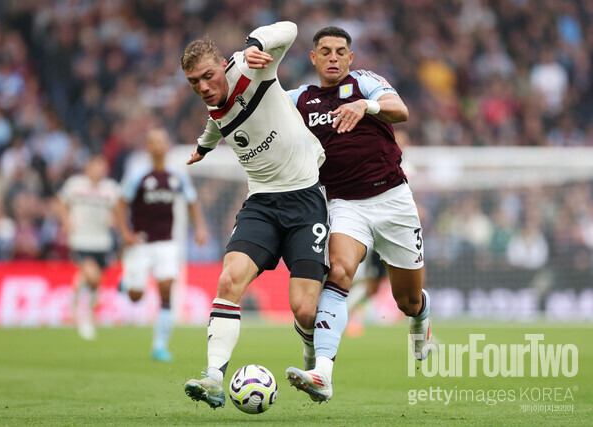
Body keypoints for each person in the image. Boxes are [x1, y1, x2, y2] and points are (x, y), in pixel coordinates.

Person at [247, 26, 432, 402]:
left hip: (394, 200)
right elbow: (259, 103)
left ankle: (420, 321)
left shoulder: (365, 82)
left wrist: (367, 105)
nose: (333, 58)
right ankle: (323, 373)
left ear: (350, 58)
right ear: (313, 58)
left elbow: (402, 111)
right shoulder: (300, 98)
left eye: (341, 52)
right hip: (344, 204)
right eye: (326, 51)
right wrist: (250, 67)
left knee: (407, 301)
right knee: (340, 271)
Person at [180, 21, 329, 409]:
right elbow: (218, 122)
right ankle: (213, 377)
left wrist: (253, 45)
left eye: (208, 76)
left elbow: (290, 29)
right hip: (262, 204)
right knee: (228, 280)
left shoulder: (252, 67)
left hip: (305, 199)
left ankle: (313, 364)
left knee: (305, 310)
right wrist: (203, 148)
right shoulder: (214, 105)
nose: (204, 87)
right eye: (194, 82)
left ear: (223, 65)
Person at [115, 128, 208, 361]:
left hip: (167, 243)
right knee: (136, 295)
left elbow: (193, 201)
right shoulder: (138, 175)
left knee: (166, 288)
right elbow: (120, 204)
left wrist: (200, 228)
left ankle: (159, 346)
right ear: (148, 147)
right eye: (153, 142)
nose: (157, 146)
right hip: (141, 243)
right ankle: (127, 285)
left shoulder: (178, 176)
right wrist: (125, 232)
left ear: (167, 146)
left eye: (161, 142)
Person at [55, 155, 120, 340]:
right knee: (92, 277)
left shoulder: (110, 188)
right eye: (97, 166)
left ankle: (81, 305)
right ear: (89, 167)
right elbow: (59, 203)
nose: (100, 170)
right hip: (81, 239)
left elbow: (120, 210)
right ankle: (84, 319)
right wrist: (66, 220)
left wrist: (115, 220)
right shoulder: (75, 185)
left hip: (103, 241)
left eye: (103, 167)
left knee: (94, 281)